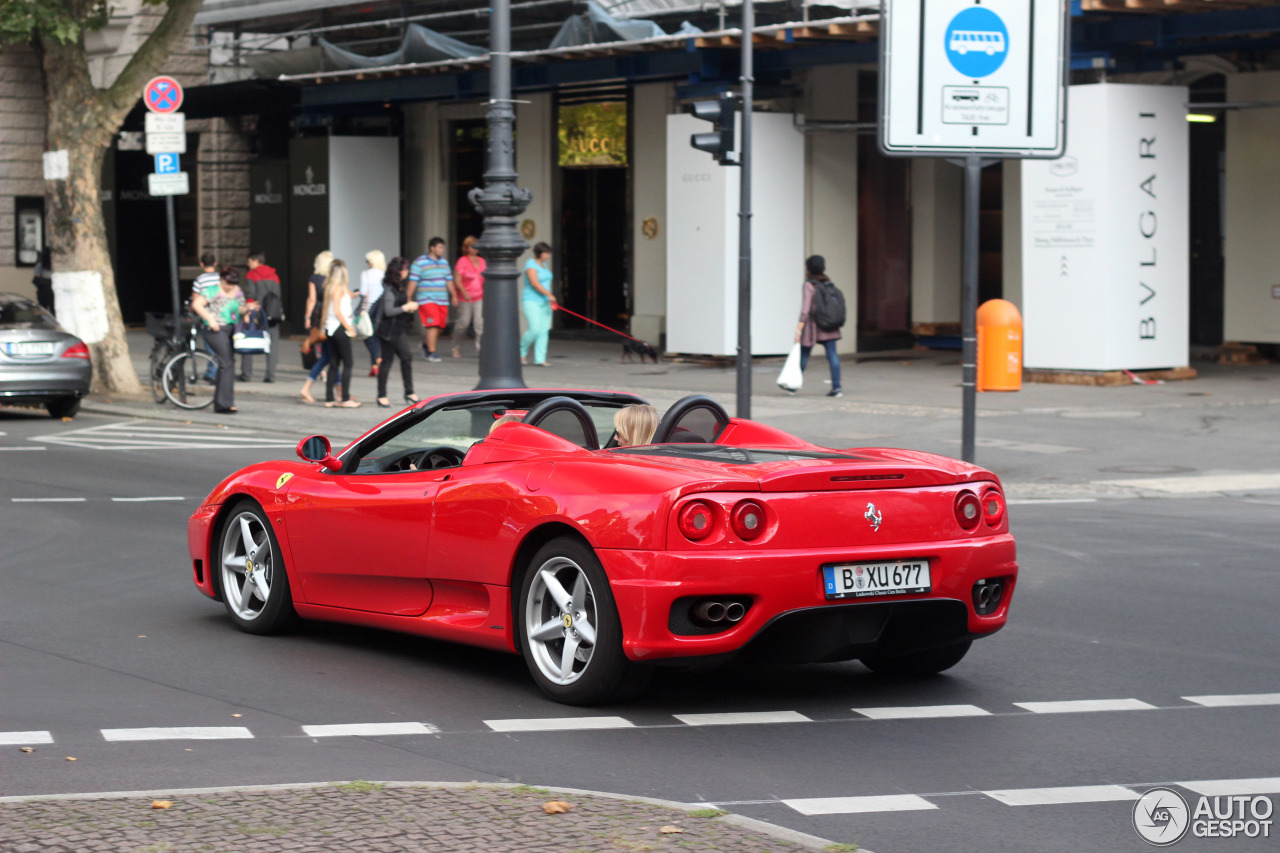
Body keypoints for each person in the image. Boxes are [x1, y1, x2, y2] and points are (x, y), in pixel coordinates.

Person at [191, 266, 248, 414]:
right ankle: (224, 403)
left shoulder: (237, 290)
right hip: (215, 329)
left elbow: (239, 307)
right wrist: (210, 320)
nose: (231, 286)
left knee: (229, 364)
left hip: (231, 328)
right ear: (222, 279)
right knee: (226, 362)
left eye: (233, 283)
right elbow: (197, 304)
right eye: (228, 283)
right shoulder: (212, 290)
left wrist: (247, 309)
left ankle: (224, 402)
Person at [794, 254, 843, 398]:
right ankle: (837, 387)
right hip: (830, 326)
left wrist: (798, 329)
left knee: (804, 356)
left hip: (813, 328)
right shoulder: (829, 283)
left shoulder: (809, 285)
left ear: (808, 269)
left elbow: (805, 309)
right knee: (832, 355)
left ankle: (793, 385)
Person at [375, 256, 419, 408]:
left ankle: (409, 392)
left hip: (398, 330)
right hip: (388, 332)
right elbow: (388, 311)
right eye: (405, 269)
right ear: (398, 271)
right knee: (387, 362)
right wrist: (406, 307)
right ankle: (381, 395)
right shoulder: (389, 288)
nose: (407, 272)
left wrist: (409, 308)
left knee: (406, 357)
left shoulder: (399, 286)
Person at [321, 259, 360, 408]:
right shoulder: (338, 288)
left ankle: (329, 398)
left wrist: (355, 294)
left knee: (333, 364)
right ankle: (345, 398)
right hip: (339, 328)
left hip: (330, 328)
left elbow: (348, 296)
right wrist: (349, 328)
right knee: (348, 363)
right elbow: (338, 311)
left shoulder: (331, 287)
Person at [239, 251, 282, 384]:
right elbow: (278, 294)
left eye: (249, 261)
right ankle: (270, 375)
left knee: (248, 339)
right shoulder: (275, 275)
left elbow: (250, 294)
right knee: (273, 344)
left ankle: (246, 374)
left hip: (256, 312)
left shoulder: (251, 275)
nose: (248, 264)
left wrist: (247, 312)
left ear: (255, 260)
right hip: (273, 313)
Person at [409, 237, 451, 363]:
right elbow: (413, 281)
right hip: (426, 299)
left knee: (440, 327)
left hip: (442, 300)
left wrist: (454, 295)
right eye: (440, 247)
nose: (442, 250)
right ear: (432, 248)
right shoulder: (419, 262)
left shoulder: (444, 263)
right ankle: (432, 352)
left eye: (443, 247)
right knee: (433, 325)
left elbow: (449, 281)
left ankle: (426, 345)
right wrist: (408, 297)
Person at [300, 250, 334, 404]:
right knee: (331, 355)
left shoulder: (314, 278)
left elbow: (312, 299)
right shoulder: (332, 278)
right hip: (328, 316)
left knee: (326, 353)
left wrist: (307, 317)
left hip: (317, 316)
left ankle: (339, 391)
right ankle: (339, 392)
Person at [520, 242, 557, 367]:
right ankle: (520, 351)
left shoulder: (544, 265)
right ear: (540, 253)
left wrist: (548, 297)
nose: (548, 256)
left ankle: (540, 359)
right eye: (546, 253)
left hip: (545, 302)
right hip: (531, 300)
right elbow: (534, 283)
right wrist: (549, 295)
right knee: (534, 328)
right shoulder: (530, 264)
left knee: (543, 330)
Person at [450, 236, 485, 358]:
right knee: (463, 323)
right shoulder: (462, 261)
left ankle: (481, 349)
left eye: (476, 246)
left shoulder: (482, 261)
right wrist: (463, 292)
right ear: (466, 248)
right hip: (465, 297)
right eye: (472, 246)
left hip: (479, 296)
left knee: (479, 324)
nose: (474, 248)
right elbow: (457, 279)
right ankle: (456, 346)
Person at [192, 252, 221, 381]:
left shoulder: (199, 280)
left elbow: (195, 300)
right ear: (215, 264)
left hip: (207, 315)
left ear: (201, 264)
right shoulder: (221, 278)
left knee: (210, 346)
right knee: (219, 345)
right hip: (222, 315)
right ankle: (215, 371)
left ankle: (212, 372)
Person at [360, 250, 387, 376]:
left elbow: (364, 293)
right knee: (377, 337)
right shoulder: (384, 275)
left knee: (367, 336)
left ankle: (377, 358)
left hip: (369, 308)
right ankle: (374, 366)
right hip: (381, 309)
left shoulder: (366, 274)